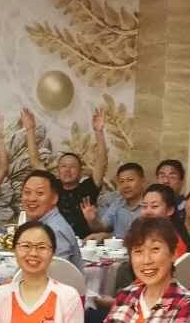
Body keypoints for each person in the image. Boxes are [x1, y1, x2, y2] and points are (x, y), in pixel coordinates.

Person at [89, 216, 190, 323]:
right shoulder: (126, 296)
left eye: (155, 249)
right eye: (138, 251)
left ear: (174, 254)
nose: (146, 260)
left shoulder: (186, 304)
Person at [21, 106, 107, 238]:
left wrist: (99, 132)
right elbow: (35, 161)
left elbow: (101, 162)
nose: (67, 170)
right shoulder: (52, 186)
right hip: (53, 239)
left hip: (84, 242)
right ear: (58, 170)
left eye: (72, 167)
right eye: (63, 166)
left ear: (80, 172)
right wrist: (30, 129)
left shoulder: (88, 188)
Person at [19, 169, 81, 267]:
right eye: (27, 192)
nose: (32, 198)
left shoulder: (54, 230)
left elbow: (58, 271)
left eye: (40, 193)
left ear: (54, 198)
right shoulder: (41, 223)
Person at [83, 162, 146, 240]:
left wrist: (109, 236)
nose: (125, 186)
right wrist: (92, 220)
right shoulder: (118, 203)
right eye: (122, 181)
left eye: (130, 180)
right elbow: (102, 227)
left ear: (143, 181)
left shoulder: (150, 205)